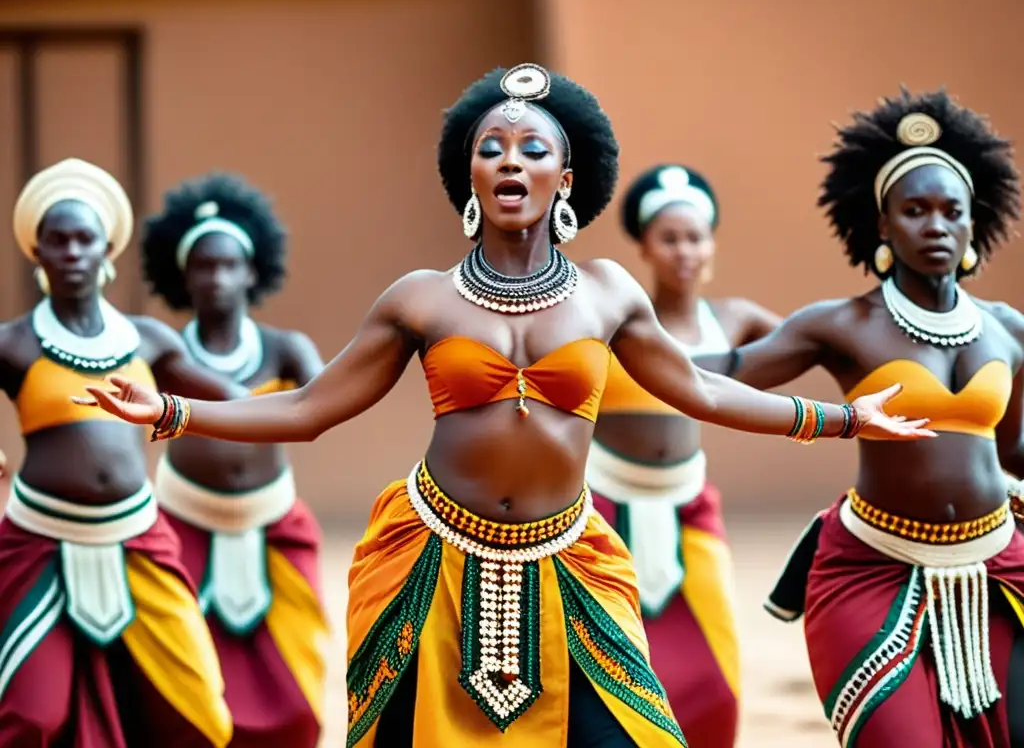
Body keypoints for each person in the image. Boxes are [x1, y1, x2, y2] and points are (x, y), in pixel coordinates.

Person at [75, 64, 932, 748]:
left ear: (566, 175)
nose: (511, 159)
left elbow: (703, 389)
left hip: (571, 558)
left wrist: (847, 421)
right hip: (431, 558)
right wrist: (169, 415)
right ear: (469, 176)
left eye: (531, 147)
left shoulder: (606, 293)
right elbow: (306, 409)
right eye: (492, 146)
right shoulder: (421, 299)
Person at [694, 89, 1024, 746]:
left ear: (970, 225)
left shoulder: (1009, 329)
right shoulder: (842, 325)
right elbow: (722, 371)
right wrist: (613, 340)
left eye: (950, 212)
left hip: (1000, 563)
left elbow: (1014, 451)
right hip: (876, 568)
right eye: (915, 211)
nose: (935, 225)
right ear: (882, 225)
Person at [0, 158, 247, 746]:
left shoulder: (149, 339)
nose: (72, 252)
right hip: (39, 539)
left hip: (138, 537)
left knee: (204, 717)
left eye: (85, 238)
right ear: (37, 252)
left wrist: (309, 394)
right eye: (57, 240)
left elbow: (239, 402)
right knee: (29, 717)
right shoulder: (12, 342)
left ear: (107, 249)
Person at [589, 164, 781, 747]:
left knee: (714, 668)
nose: (684, 251)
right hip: (601, 502)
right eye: (669, 238)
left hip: (689, 502)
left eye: (695, 237)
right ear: (644, 245)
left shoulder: (736, 319)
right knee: (605, 654)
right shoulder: (615, 318)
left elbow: (821, 341)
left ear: (712, 242)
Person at [141, 172, 328, 748]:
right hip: (180, 524)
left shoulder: (285, 348)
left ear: (253, 271)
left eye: (228, 264)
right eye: (203, 265)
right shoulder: (162, 351)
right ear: (184, 276)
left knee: (297, 693)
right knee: (181, 687)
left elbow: (325, 403)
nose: (217, 276)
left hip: (273, 527)